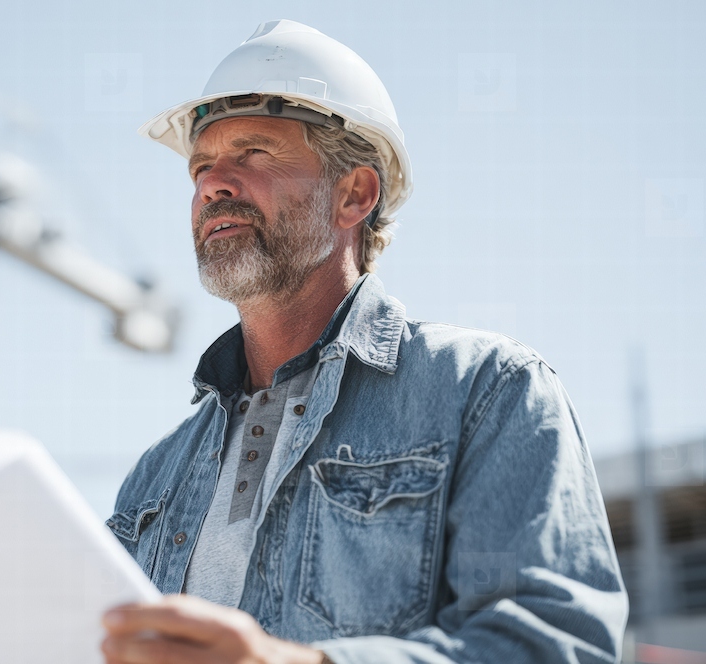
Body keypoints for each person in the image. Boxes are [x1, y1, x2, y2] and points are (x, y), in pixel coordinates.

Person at [100, 20, 627, 664]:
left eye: (255, 154)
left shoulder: (486, 393)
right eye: (202, 166)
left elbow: (559, 648)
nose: (214, 184)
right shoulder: (152, 482)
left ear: (355, 193)